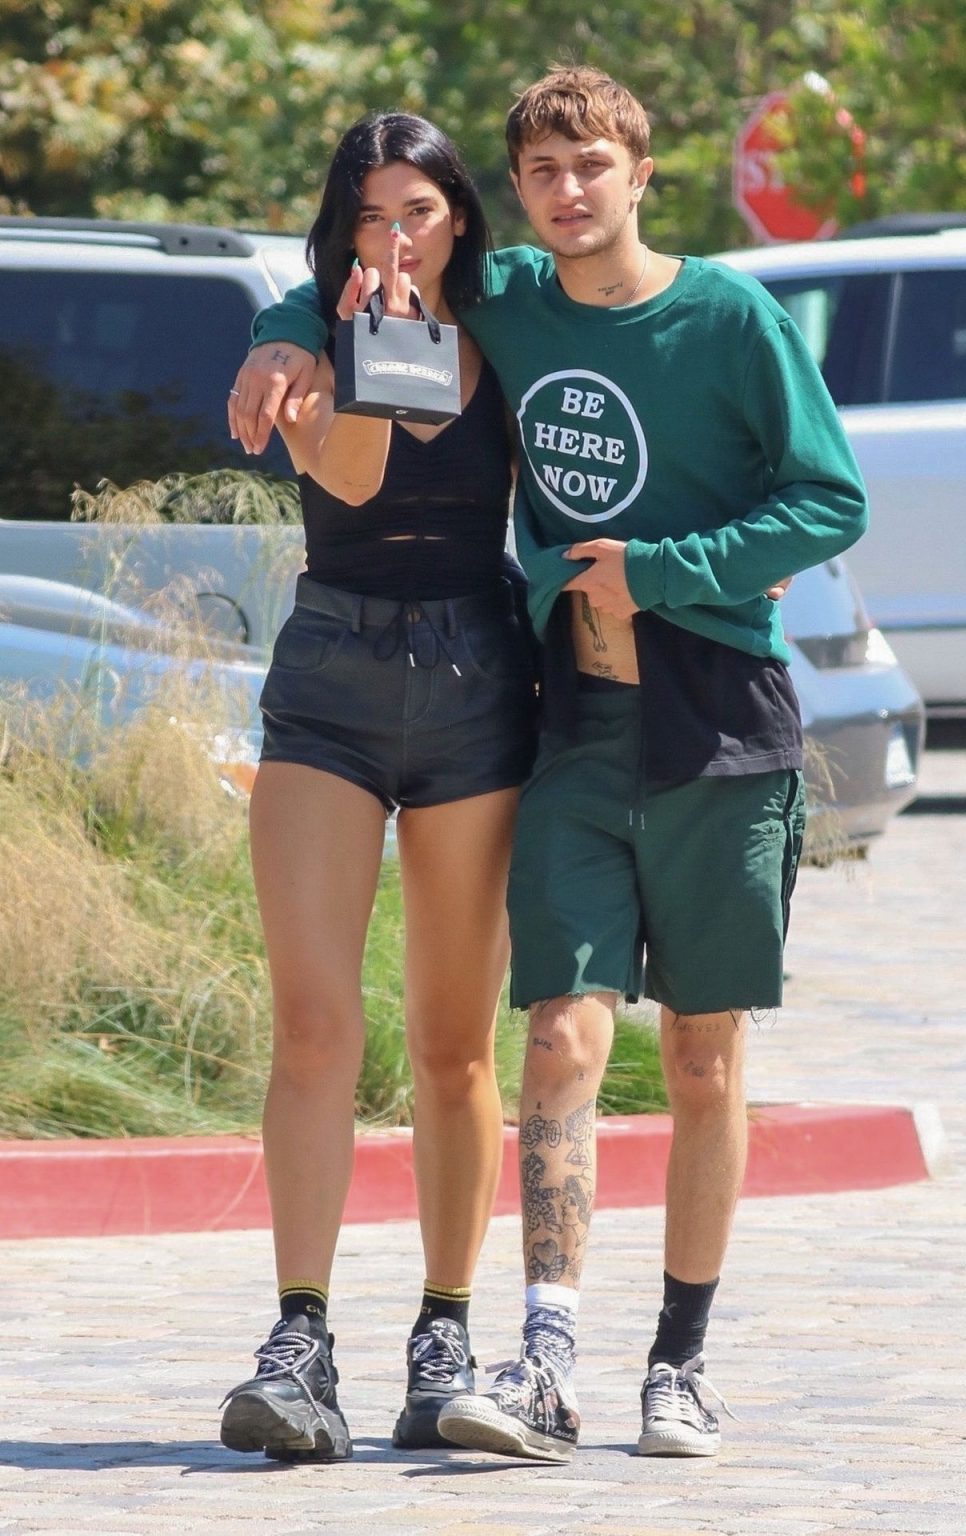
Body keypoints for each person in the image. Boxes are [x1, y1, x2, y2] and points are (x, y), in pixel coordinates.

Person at [232, 67, 868, 1464]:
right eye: (543, 172)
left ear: (639, 175)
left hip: (637, 701)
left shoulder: (680, 314)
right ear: (512, 195)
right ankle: (438, 1348)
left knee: (665, 1054)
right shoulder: (456, 306)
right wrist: (293, 324)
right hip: (492, 703)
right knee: (523, 1030)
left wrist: (669, 570)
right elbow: (352, 396)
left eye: (590, 167)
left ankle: (606, 1354)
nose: (567, 193)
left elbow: (830, 496)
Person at [218, 111, 537, 1463]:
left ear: (460, 216)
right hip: (333, 675)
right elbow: (350, 480)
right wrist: (348, 348)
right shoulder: (315, 343)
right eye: (369, 215)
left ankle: (444, 1333)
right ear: (341, 231)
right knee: (313, 1025)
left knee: (456, 1042)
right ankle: (300, 1341)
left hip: (477, 674)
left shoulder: (515, 319)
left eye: (418, 210)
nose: (396, 236)